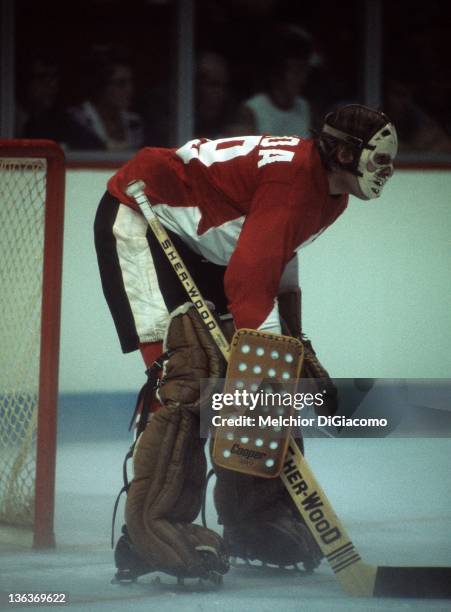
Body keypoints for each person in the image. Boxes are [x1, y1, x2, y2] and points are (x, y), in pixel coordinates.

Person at [94, 104, 398, 582]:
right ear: (342, 152)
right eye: (379, 159)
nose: (387, 171)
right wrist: (271, 364)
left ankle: (254, 520)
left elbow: (275, 258)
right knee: (190, 375)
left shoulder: (330, 192)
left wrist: (292, 344)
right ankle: (150, 530)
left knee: (258, 374)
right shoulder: (295, 182)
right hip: (142, 215)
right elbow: (249, 278)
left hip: (204, 244)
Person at [235, 24, 314, 136]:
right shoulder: (253, 110)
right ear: (277, 71)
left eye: (304, 70)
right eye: (296, 71)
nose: (302, 78)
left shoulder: (304, 107)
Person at [62, 55, 144, 151]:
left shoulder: (135, 123)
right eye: (121, 83)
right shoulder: (75, 120)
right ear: (101, 85)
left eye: (130, 83)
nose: (130, 90)